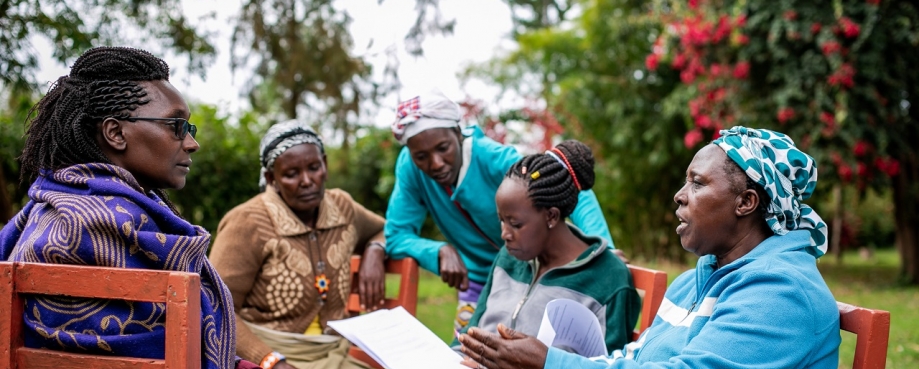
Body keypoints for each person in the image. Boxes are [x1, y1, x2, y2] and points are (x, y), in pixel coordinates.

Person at [458, 126, 840, 369]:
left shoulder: (782, 294)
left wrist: (549, 363)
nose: (679, 196)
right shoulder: (691, 284)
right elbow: (634, 357)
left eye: (697, 183)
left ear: (746, 203)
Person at [0, 47, 243, 369]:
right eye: (176, 125)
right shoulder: (97, 226)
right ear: (115, 133)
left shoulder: (46, 211)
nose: (191, 142)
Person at [383, 90, 622, 333]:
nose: (435, 163)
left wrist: (603, 252)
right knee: (467, 350)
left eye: (443, 148)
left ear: (458, 132)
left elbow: (567, 184)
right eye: (421, 156)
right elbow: (396, 235)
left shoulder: (493, 158)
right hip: (477, 283)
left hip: (530, 279)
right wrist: (438, 251)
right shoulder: (409, 168)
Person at [209, 120, 387, 369]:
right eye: (291, 174)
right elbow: (215, 305)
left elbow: (383, 230)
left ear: (324, 164)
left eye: (314, 168)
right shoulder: (248, 221)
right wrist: (270, 360)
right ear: (272, 178)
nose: (307, 181)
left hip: (334, 355)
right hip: (267, 356)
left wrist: (375, 251)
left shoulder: (342, 208)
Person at [452, 140, 640, 354]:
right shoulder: (508, 258)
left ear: (551, 216)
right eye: (501, 221)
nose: (504, 234)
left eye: (515, 224)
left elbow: (610, 365)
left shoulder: (608, 278)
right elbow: (469, 336)